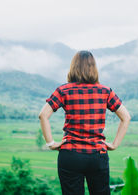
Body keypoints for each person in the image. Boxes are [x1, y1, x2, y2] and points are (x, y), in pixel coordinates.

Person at [39, 50, 131, 195]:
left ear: (73, 67)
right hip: (97, 155)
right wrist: (114, 144)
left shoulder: (63, 90)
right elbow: (126, 117)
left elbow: (43, 115)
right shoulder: (105, 91)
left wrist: (51, 143)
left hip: (70, 155)